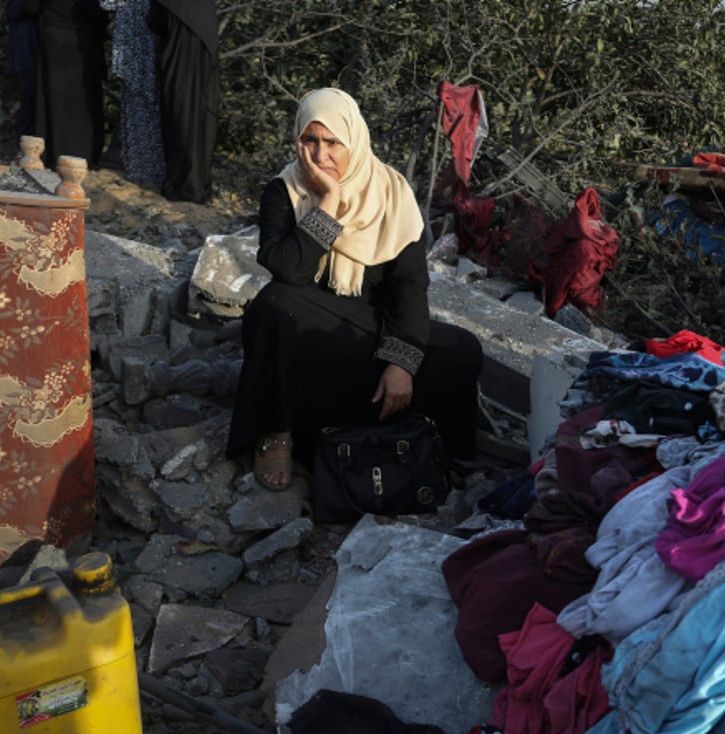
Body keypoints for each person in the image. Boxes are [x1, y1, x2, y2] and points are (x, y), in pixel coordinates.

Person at [226, 88, 484, 491]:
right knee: (273, 305)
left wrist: (401, 363)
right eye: (309, 141)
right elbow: (288, 270)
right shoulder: (286, 190)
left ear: (355, 142)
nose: (320, 154)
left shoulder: (391, 194)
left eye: (332, 143)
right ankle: (278, 430)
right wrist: (328, 202)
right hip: (307, 326)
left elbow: (410, 290)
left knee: (463, 350)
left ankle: (427, 448)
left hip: (372, 328)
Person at [148, 0, 218, 203]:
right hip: (204, 60)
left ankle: (183, 186)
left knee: (180, 117)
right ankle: (199, 185)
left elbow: (156, 23)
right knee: (201, 120)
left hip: (178, 63)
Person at [24, 0, 107, 168]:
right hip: (86, 35)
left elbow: (30, 6)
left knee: (56, 95)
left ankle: (56, 151)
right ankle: (85, 152)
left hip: (55, 33)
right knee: (84, 96)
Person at [99, 0, 163, 186]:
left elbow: (106, 3)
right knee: (147, 105)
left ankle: (143, 168)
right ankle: (146, 166)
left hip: (136, 46)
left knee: (139, 106)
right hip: (149, 44)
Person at [4, 0, 40, 138]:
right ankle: (25, 145)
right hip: (27, 46)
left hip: (31, 45)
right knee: (30, 98)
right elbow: (18, 10)